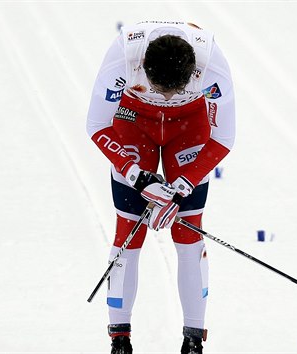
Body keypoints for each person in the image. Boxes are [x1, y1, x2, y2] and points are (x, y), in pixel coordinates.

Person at [86, 20, 235, 354]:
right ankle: (119, 339)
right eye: (159, 87)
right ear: (143, 69)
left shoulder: (211, 62)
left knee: (188, 232)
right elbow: (97, 124)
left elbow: (224, 137)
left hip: (188, 127)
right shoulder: (124, 54)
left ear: (194, 73)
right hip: (134, 120)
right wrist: (138, 176)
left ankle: (193, 339)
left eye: (176, 90)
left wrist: (181, 186)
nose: (167, 96)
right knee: (128, 230)